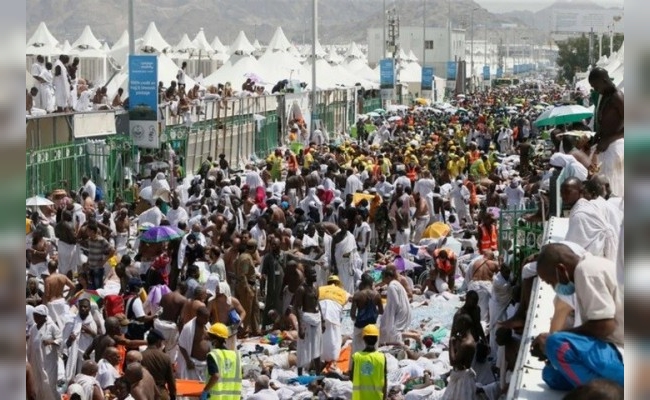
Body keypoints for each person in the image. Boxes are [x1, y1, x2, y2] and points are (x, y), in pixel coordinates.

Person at [532, 243, 623, 390]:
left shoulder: (586, 271)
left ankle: (607, 393)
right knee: (550, 375)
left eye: (550, 282)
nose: (553, 287)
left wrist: (553, 337)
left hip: (621, 353)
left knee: (556, 343)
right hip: (612, 351)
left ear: (561, 269)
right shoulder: (590, 267)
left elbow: (605, 325)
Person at [588, 67, 624, 197]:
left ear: (604, 80)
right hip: (604, 146)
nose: (595, 90)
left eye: (596, 86)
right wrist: (598, 135)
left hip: (614, 147)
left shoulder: (618, 97)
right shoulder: (605, 96)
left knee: (613, 188)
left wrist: (609, 139)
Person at [294, 264, 324, 375]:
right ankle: (300, 373)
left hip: (317, 319)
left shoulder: (316, 287)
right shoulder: (301, 289)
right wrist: (300, 326)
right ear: (307, 275)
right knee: (303, 348)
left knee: (317, 347)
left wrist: (323, 320)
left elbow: (318, 303)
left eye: (315, 273)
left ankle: (318, 373)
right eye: (313, 274)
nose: (315, 275)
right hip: (307, 319)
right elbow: (297, 307)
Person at [27, 305, 61, 400]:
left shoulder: (51, 327)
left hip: (48, 361)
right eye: (34, 315)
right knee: (38, 383)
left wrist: (52, 342)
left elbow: (60, 339)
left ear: (43, 316)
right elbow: (30, 344)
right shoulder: (34, 327)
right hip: (36, 360)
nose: (34, 318)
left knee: (48, 384)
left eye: (36, 316)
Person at [202, 322, 243, 400]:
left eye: (210, 339)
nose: (208, 341)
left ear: (215, 340)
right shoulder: (235, 356)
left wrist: (205, 391)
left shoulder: (213, 355)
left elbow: (215, 376)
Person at [443, 314, 478, 400]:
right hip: (460, 376)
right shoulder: (464, 340)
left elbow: (453, 362)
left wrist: (451, 342)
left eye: (457, 324)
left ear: (463, 323)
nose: (455, 326)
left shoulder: (467, 343)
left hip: (462, 380)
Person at [318, 275, 349, 369]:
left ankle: (320, 362)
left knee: (321, 338)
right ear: (338, 284)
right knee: (334, 340)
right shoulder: (344, 292)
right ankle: (332, 362)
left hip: (320, 315)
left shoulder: (320, 289)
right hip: (334, 317)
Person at [63, 298, 98, 381]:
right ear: (78, 307)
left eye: (85, 307)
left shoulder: (93, 323)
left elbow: (98, 340)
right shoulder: (71, 323)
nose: (83, 308)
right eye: (81, 306)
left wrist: (91, 332)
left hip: (88, 356)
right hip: (74, 355)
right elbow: (64, 345)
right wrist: (70, 340)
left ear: (89, 308)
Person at [350, 324, 386, 400]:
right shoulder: (382, 357)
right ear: (377, 339)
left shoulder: (357, 357)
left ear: (363, 339)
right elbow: (385, 383)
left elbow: (351, 378)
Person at [350, 272, 383, 354]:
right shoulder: (377, 295)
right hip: (372, 325)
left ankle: (356, 363)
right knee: (374, 348)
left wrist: (357, 318)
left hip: (360, 325)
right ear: (371, 284)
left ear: (362, 283)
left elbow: (352, 315)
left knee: (356, 348)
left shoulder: (357, 295)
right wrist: (374, 314)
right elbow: (381, 311)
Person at [141, 329, 176, 400]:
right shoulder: (165, 357)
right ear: (159, 342)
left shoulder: (140, 356)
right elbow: (171, 380)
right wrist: (173, 396)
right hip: (161, 393)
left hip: (144, 393)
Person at [379, 265, 411, 345]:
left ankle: (415, 336)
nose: (383, 280)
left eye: (384, 277)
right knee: (401, 330)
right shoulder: (396, 284)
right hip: (404, 310)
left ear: (388, 277)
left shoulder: (392, 286)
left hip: (399, 311)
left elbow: (394, 303)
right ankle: (407, 345)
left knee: (393, 331)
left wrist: (389, 317)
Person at [178, 306, 211, 380]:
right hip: (194, 364)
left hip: (206, 364)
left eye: (208, 318)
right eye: (205, 318)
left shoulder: (207, 326)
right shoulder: (188, 328)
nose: (207, 320)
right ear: (198, 316)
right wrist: (188, 361)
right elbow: (181, 344)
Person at [261, 237, 285, 326]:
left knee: (280, 307)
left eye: (275, 244)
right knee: (269, 306)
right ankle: (265, 326)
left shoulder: (284, 255)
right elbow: (263, 274)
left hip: (282, 287)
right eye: (272, 244)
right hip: (271, 287)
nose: (273, 246)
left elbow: (298, 259)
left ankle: (281, 326)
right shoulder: (268, 257)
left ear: (280, 245)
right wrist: (262, 287)